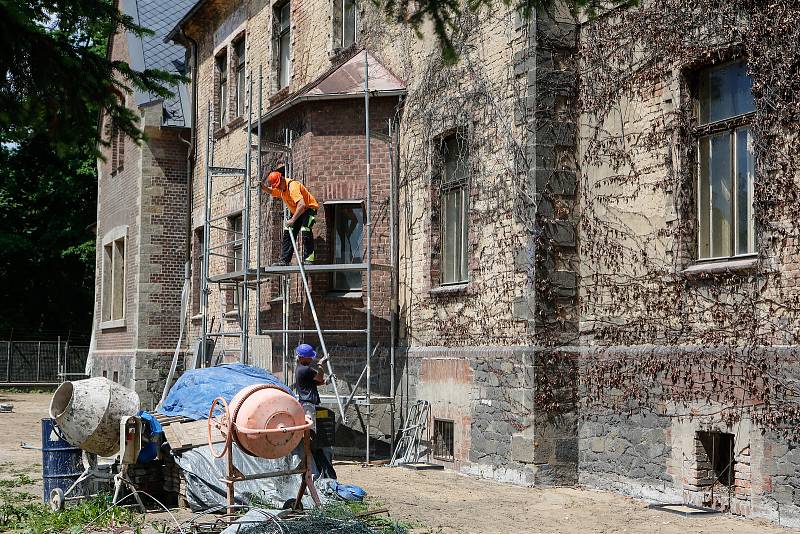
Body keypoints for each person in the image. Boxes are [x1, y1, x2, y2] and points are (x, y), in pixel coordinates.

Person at [261, 170, 320, 265]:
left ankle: (309, 258)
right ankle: (285, 260)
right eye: (277, 186)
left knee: (306, 230)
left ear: (282, 178)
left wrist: (293, 219)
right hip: (297, 211)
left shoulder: (292, 187)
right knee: (288, 232)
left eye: (279, 185)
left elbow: (302, 205)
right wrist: (263, 187)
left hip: (308, 209)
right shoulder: (281, 189)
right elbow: (271, 191)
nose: (279, 188)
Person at [294, 343, 325, 431]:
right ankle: (310, 444)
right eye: (309, 357)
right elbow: (319, 378)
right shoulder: (305, 369)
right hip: (308, 404)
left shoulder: (299, 368)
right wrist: (320, 364)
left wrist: (326, 382)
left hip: (306, 403)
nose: (311, 358)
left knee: (311, 428)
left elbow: (313, 383)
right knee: (311, 429)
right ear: (303, 357)